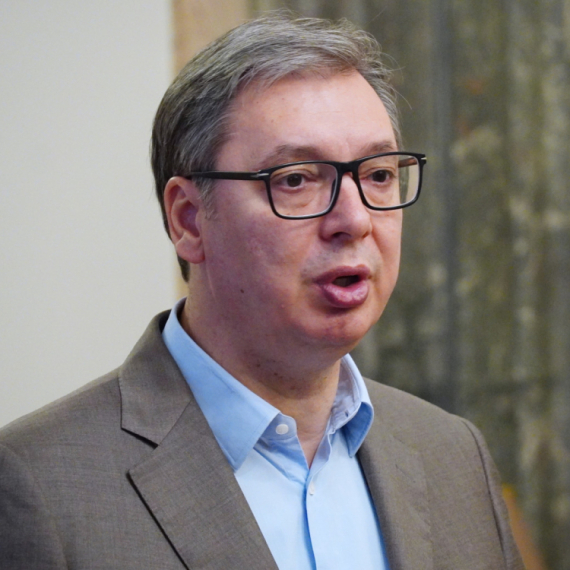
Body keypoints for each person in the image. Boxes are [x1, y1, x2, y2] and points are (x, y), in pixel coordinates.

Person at [0, 14, 523, 570]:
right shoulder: (39, 486)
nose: (355, 220)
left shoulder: (454, 456)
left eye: (378, 175)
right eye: (296, 179)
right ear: (189, 219)